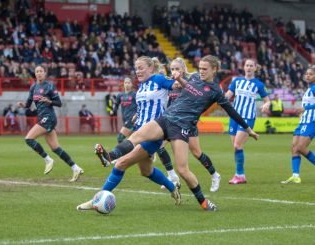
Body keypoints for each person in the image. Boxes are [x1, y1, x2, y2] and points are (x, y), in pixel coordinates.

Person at [82, 55, 259, 211]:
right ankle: (109, 156)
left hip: (182, 127)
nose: (201, 72)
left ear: (215, 69)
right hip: (166, 118)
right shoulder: (195, 78)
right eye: (200, 68)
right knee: (136, 136)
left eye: (205, 69)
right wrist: (180, 79)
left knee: (182, 169)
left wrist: (248, 128)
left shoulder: (215, 91)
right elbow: (187, 87)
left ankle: (204, 201)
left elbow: (231, 110)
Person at [77, 56, 182, 211]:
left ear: (151, 68)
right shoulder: (141, 86)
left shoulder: (159, 79)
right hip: (139, 130)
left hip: (153, 134)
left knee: (121, 164)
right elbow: (144, 107)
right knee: (146, 171)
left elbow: (176, 85)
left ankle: (97, 197)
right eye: (136, 68)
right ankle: (172, 187)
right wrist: (136, 116)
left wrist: (180, 79)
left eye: (141, 68)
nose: (137, 71)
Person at [158, 57, 221, 192]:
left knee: (197, 152)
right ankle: (172, 176)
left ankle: (215, 175)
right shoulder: (170, 84)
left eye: (177, 69)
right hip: (171, 122)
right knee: (160, 147)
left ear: (183, 69)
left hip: (188, 124)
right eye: (172, 69)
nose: (174, 71)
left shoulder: (193, 81)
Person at [17, 65, 84, 182]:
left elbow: (59, 103)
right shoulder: (33, 87)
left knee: (29, 139)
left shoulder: (49, 86)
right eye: (37, 71)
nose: (39, 73)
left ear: (45, 73)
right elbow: (28, 104)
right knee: (55, 148)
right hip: (42, 118)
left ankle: (48, 159)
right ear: (35, 74)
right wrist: (23, 105)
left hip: (49, 118)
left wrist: (49, 101)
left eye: (41, 71)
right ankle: (76, 168)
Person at [225, 59, 270, 184]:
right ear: (243, 67)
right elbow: (228, 95)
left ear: (255, 68)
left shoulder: (258, 84)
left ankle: (240, 175)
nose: (249, 68)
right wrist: (220, 98)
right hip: (234, 117)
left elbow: (267, 100)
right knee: (236, 148)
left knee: (237, 145)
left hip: (248, 117)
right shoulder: (237, 81)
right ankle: (239, 174)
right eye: (247, 65)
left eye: (251, 65)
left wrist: (266, 105)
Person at [281, 66, 315, 184]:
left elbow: (308, 106)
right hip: (303, 121)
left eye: (310, 74)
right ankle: (295, 175)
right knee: (294, 147)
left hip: (311, 121)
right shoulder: (309, 89)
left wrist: (305, 108)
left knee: (300, 148)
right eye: (306, 74)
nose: (307, 76)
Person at [113, 77, 137, 143]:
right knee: (134, 141)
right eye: (125, 83)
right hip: (125, 119)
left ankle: (121, 152)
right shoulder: (120, 95)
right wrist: (114, 109)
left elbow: (140, 105)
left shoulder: (135, 95)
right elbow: (116, 103)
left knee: (120, 138)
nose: (127, 84)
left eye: (128, 83)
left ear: (132, 84)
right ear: (123, 84)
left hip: (132, 120)